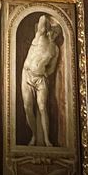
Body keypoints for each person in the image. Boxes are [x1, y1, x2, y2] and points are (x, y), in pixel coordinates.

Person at [21, 13, 61, 147]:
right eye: (53, 30)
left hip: (41, 79)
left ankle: (46, 140)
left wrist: (44, 72)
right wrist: (49, 24)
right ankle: (33, 134)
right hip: (27, 75)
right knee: (27, 107)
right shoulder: (39, 37)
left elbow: (52, 68)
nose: (54, 34)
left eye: (57, 33)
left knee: (42, 107)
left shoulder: (55, 49)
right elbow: (43, 18)